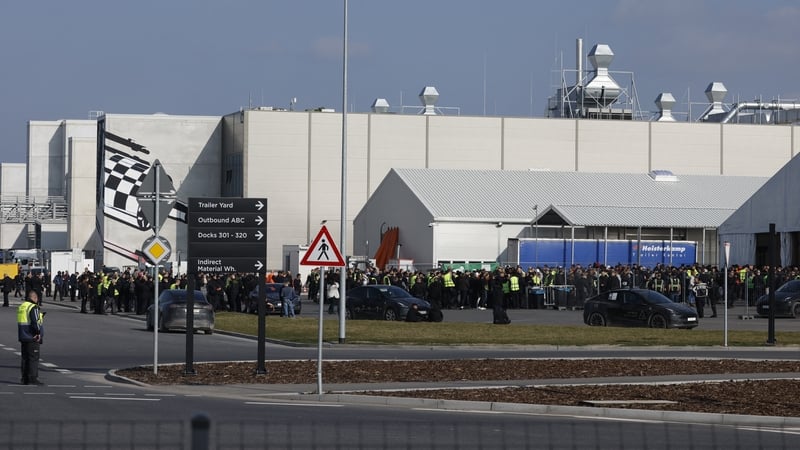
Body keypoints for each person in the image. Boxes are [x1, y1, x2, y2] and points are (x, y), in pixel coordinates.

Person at [17, 291, 44, 385]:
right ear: (35, 298)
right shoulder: (33, 307)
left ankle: (24, 378)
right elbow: (35, 322)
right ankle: (33, 378)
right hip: (32, 336)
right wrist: (38, 333)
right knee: (33, 358)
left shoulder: (22, 306)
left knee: (25, 358)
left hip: (23, 335)